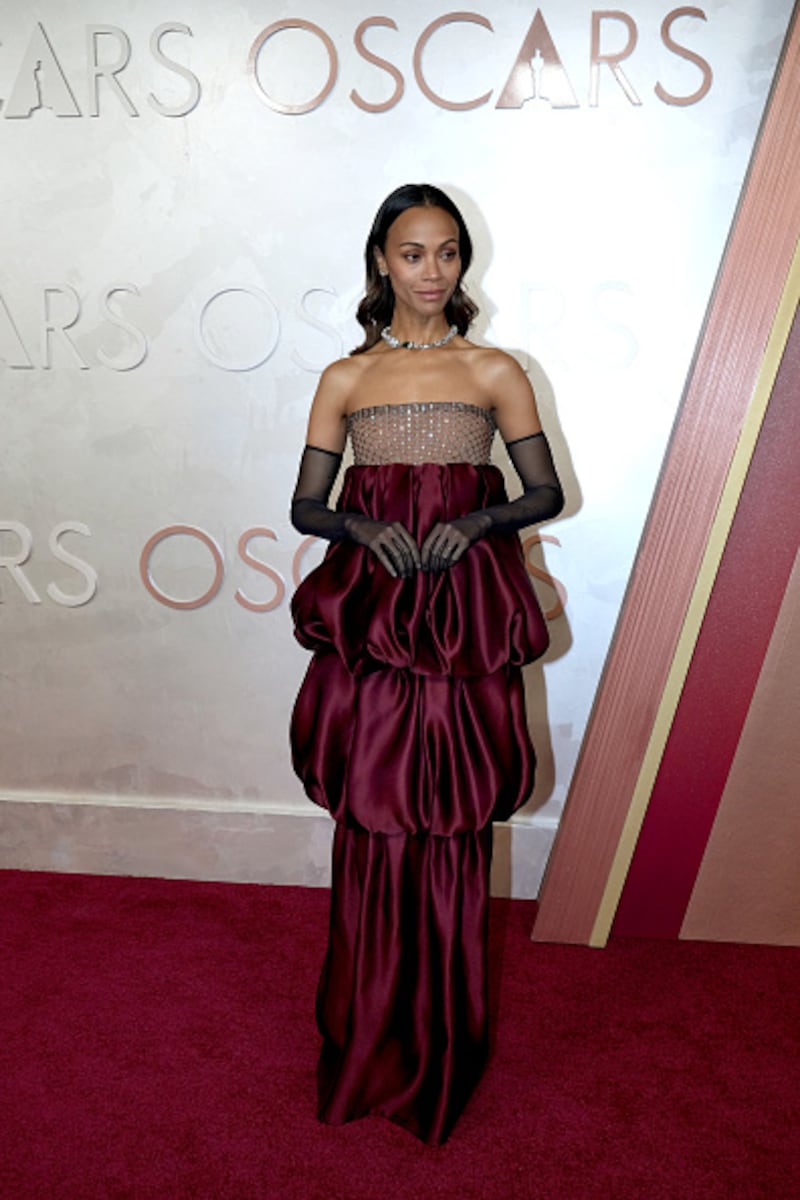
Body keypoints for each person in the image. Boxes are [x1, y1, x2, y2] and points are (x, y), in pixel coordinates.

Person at [289, 183, 564, 1144]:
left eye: (448, 253)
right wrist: (360, 523)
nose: (433, 271)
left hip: (460, 625)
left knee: (448, 824)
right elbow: (307, 508)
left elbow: (544, 490)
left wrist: (479, 519)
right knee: (373, 818)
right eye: (414, 254)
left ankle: (443, 1043)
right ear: (381, 262)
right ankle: (366, 1038)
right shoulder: (344, 378)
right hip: (376, 624)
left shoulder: (496, 370)